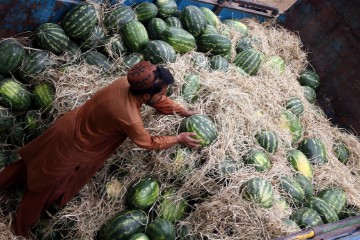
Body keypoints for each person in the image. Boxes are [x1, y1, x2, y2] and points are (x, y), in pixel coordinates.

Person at [0, 61, 201, 237]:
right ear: (147, 95)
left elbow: (157, 100)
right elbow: (147, 142)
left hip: (66, 126)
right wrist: (178, 138)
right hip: (73, 146)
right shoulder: (130, 117)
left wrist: (182, 111)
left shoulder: (126, 82)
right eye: (162, 93)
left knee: (30, 163)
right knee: (42, 188)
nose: (164, 96)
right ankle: (20, 229)